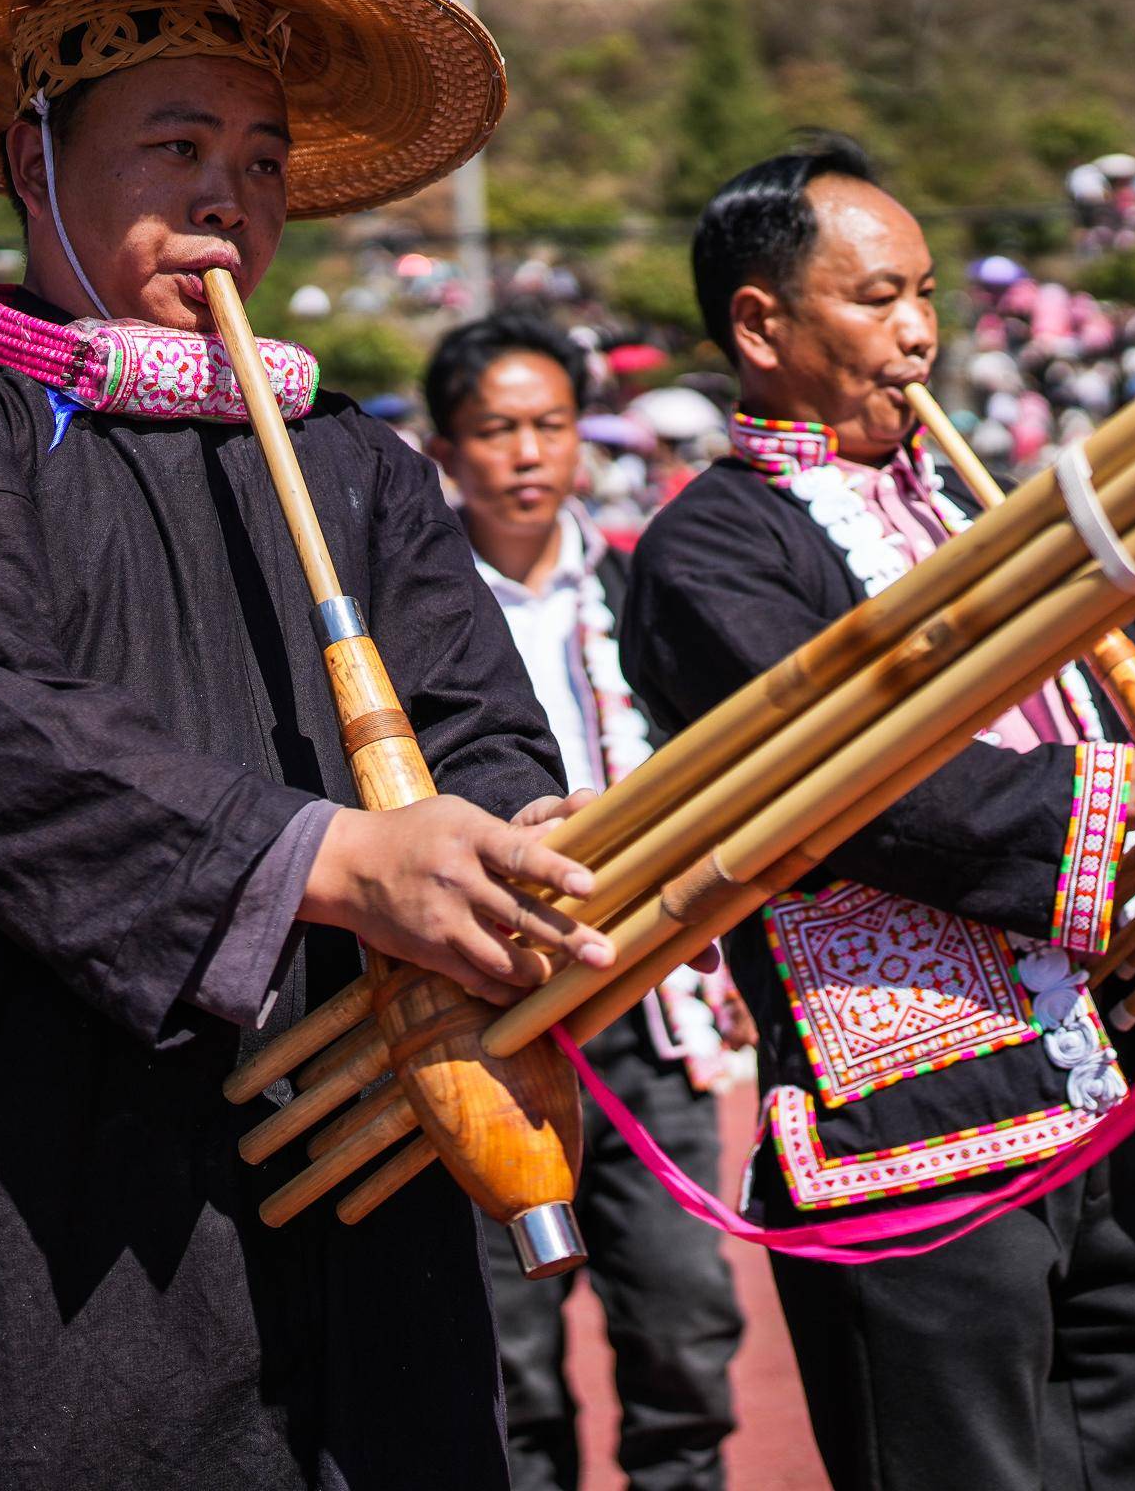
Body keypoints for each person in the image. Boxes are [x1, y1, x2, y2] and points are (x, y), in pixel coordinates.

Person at [0, 0, 612, 1487]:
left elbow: (482, 721)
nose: (227, 198)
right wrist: (328, 861)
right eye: (174, 149)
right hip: (50, 1191)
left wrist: (523, 840)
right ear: (36, 165)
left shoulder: (354, 457)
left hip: (367, 1153)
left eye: (262, 161)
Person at [619, 136, 1135, 1491]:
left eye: (928, 297)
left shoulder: (974, 517)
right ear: (761, 327)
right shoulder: (706, 555)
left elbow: (1129, 704)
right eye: (879, 298)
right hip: (906, 1137)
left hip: (1097, 1088)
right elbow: (849, 789)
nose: (920, 335)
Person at [422, 314, 746, 1491]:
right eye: (495, 430)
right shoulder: (413, 613)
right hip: (489, 1019)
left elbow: (716, 783)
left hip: (649, 1012)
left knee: (684, 1321)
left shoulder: (643, 587)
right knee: (510, 1357)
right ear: (446, 450)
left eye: (548, 426)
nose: (525, 454)